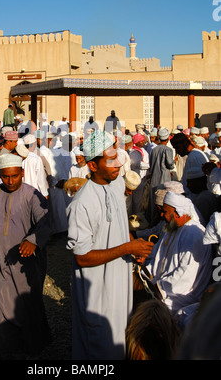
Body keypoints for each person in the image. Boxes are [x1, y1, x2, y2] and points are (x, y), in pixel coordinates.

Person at [67, 130, 154, 360]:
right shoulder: (82, 203)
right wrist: (127, 249)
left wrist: (134, 246)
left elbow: (119, 225)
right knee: (100, 348)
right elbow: (82, 257)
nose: (118, 165)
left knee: (120, 338)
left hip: (120, 283)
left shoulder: (115, 187)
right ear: (93, 166)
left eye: (117, 157)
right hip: (97, 291)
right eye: (110, 160)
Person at [0, 153, 51, 359]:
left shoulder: (32, 195)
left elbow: (46, 223)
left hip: (25, 265)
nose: (11, 181)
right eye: (6, 177)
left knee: (25, 306)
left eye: (15, 176)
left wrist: (33, 241)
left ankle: (30, 349)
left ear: (21, 173)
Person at [144, 191, 212, 329]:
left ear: (177, 213)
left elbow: (185, 277)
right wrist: (146, 271)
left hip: (181, 296)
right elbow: (156, 255)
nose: (162, 215)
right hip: (161, 288)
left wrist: (158, 288)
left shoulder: (194, 234)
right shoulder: (171, 228)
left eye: (165, 212)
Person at [147, 128, 175, 220]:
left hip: (154, 180)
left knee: (153, 203)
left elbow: (151, 164)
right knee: (162, 203)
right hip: (164, 180)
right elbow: (170, 164)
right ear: (168, 139)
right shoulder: (168, 150)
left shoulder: (153, 150)